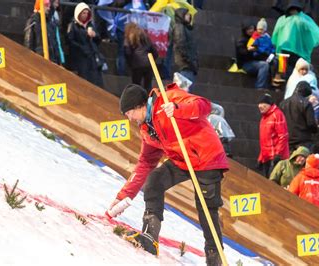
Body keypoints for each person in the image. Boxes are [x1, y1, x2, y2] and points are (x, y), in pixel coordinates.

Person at [108, 84, 229, 265]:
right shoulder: (147, 129)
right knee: (154, 181)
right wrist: (124, 196)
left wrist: (178, 109)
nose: (129, 119)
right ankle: (150, 237)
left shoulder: (168, 99)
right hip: (182, 160)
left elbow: (204, 105)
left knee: (206, 210)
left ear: (139, 106)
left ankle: (214, 258)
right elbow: (145, 163)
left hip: (206, 157)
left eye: (129, 113)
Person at [272, 1, 319, 78]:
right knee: (282, 70)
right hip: (286, 50)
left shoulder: (301, 19)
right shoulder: (286, 19)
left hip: (297, 50)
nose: (294, 11)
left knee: (293, 70)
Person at [67, 2, 104, 87]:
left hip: (92, 58)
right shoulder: (73, 25)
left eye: (87, 13)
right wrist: (82, 48)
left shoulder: (90, 25)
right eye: (83, 13)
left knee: (96, 81)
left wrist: (94, 35)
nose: (85, 15)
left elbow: (98, 40)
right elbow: (70, 40)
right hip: (81, 59)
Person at [257, 94, 290, 177]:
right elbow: (263, 140)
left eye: (263, 104)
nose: (260, 106)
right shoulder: (263, 118)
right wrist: (260, 158)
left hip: (276, 157)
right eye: (259, 104)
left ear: (269, 104)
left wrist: (278, 154)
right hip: (266, 157)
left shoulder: (277, 115)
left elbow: (283, 136)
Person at [280, 81, 318, 152]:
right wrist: (315, 129)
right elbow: (311, 123)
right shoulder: (306, 103)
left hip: (287, 139)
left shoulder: (283, 103)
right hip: (303, 140)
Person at [124, 23, 158, 93]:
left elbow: (127, 53)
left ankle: (138, 102)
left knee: (136, 86)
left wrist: (130, 63)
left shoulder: (128, 39)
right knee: (148, 86)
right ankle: (148, 102)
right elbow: (155, 52)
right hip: (148, 64)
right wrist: (151, 60)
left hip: (136, 65)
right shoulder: (146, 38)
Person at [236, 22, 271, 89]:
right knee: (264, 65)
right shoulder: (241, 40)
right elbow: (241, 53)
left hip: (255, 61)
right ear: (245, 30)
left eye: (252, 28)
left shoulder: (258, 38)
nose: (251, 30)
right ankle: (260, 87)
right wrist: (250, 51)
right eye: (248, 29)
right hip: (245, 64)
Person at [173, 8, 198, 88]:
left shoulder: (185, 28)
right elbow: (181, 44)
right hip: (185, 64)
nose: (189, 16)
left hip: (188, 64)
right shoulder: (180, 27)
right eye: (187, 14)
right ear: (181, 15)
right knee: (184, 89)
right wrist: (189, 60)